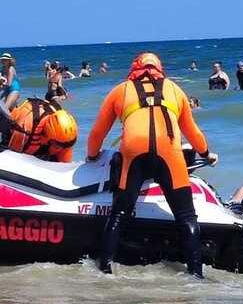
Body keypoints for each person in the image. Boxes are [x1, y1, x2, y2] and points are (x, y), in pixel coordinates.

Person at [87, 52, 217, 277]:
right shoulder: (175, 90)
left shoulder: (121, 90)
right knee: (186, 216)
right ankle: (196, 274)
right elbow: (193, 133)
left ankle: (104, 269)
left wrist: (92, 156)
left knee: (119, 213)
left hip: (133, 152)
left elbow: (98, 133)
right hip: (170, 153)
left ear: (134, 68)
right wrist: (206, 153)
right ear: (159, 68)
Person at [3, 97, 79, 162]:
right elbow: (12, 160)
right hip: (16, 134)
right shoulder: (24, 128)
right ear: (47, 134)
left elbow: (64, 164)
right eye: (57, 146)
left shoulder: (64, 138)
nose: (60, 149)